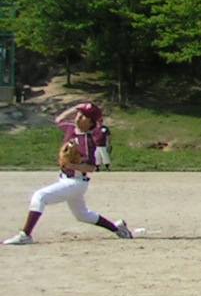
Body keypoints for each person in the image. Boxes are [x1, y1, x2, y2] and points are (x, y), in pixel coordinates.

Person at [5, 102, 133, 245]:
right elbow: (59, 120)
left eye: (84, 116)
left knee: (39, 197)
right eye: (79, 113)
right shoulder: (71, 129)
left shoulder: (87, 141)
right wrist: (77, 106)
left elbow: (90, 167)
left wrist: (70, 165)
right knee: (82, 215)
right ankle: (117, 228)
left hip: (76, 182)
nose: (79, 117)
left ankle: (25, 235)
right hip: (67, 180)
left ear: (91, 123)